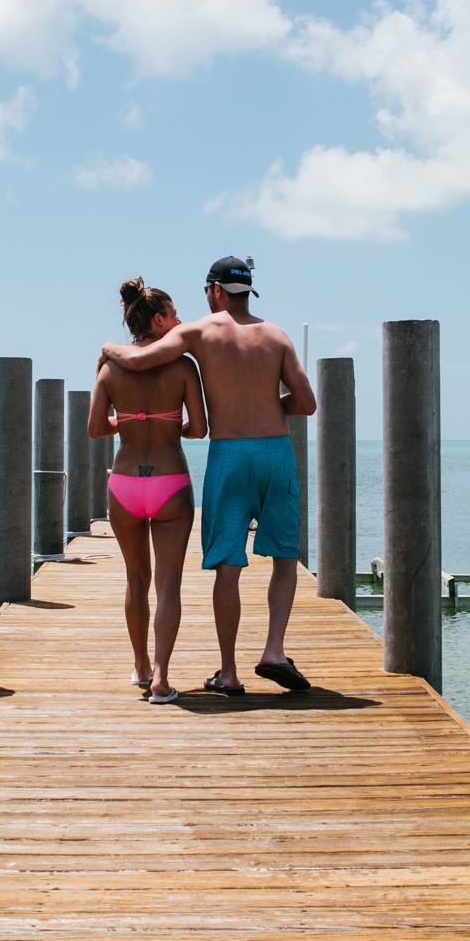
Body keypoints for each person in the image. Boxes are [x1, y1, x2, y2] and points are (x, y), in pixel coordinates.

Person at [101, 256, 316, 695]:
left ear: (215, 290)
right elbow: (307, 402)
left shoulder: (199, 331)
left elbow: (141, 361)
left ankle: (230, 672)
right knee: (284, 557)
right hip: (276, 451)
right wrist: (270, 407)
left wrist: (109, 349)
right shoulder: (276, 335)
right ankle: (273, 649)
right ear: (246, 292)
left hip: (228, 455)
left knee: (228, 565)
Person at [88, 277, 207, 705]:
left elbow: (95, 427)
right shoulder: (183, 368)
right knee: (168, 585)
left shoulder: (110, 368)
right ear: (158, 321)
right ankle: (161, 677)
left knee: (135, 580)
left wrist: (131, 419)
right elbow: (199, 429)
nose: (179, 320)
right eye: (174, 314)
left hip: (123, 485)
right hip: (171, 482)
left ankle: (139, 666)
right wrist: (167, 422)